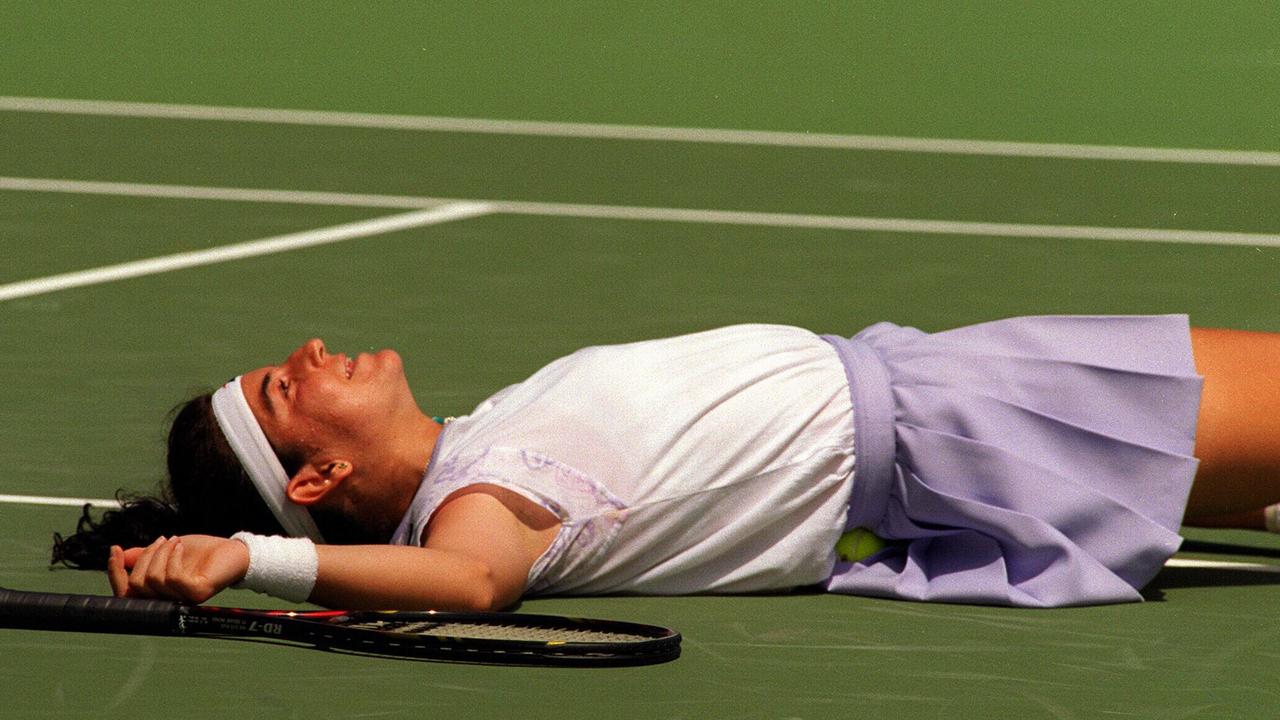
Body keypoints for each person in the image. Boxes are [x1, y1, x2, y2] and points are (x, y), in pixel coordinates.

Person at [49, 315, 1280, 609]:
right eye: (284, 387)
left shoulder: (486, 439)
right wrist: (255, 559)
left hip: (950, 392)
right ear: (311, 479)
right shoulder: (483, 502)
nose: (310, 352)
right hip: (978, 425)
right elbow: (473, 584)